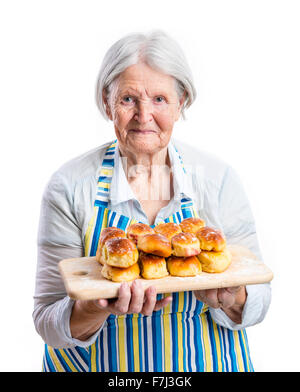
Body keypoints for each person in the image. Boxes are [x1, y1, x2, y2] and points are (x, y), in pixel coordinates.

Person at [33, 30, 271, 372]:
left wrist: (234, 298)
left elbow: (260, 298)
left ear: (181, 103)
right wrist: (97, 307)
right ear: (106, 103)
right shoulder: (69, 187)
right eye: (129, 99)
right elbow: (46, 319)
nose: (144, 115)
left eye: (159, 99)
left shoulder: (217, 180)